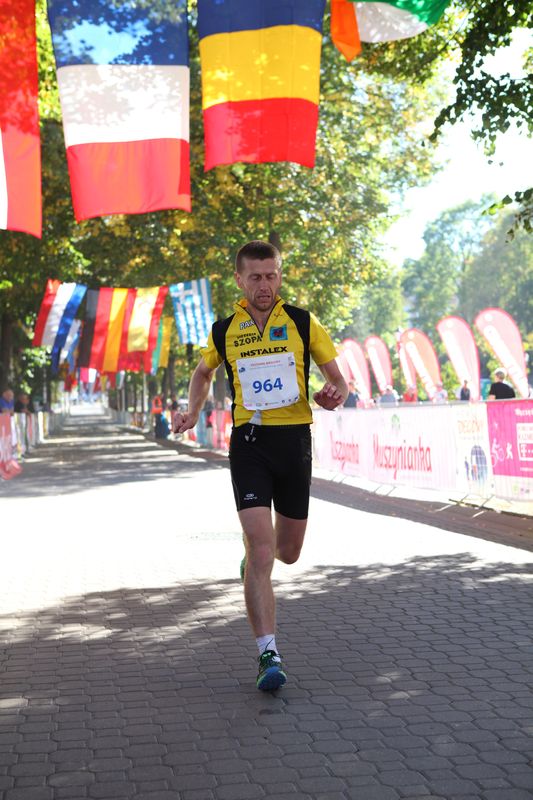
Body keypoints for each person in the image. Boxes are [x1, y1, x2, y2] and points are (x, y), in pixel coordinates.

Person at [173, 240, 347, 691]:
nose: (264, 285)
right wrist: (192, 412)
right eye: (255, 277)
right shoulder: (224, 330)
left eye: (271, 275)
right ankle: (268, 654)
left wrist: (333, 395)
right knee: (263, 550)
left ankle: (252, 556)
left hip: (294, 443)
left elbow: (338, 380)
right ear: (239, 280)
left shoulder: (303, 322)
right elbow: (202, 373)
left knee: (287, 552)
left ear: (279, 276)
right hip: (249, 444)